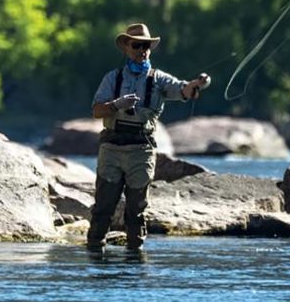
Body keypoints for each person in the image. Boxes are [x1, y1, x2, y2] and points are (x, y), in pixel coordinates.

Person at [87, 23, 211, 251]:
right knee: (103, 206)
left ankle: (135, 258)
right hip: (111, 148)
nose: (142, 50)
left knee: (136, 209)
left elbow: (182, 90)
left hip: (141, 150)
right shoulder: (112, 79)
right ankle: (95, 251)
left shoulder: (159, 79)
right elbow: (96, 111)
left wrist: (196, 85)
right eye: (137, 45)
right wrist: (116, 105)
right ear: (126, 48)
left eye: (146, 46)